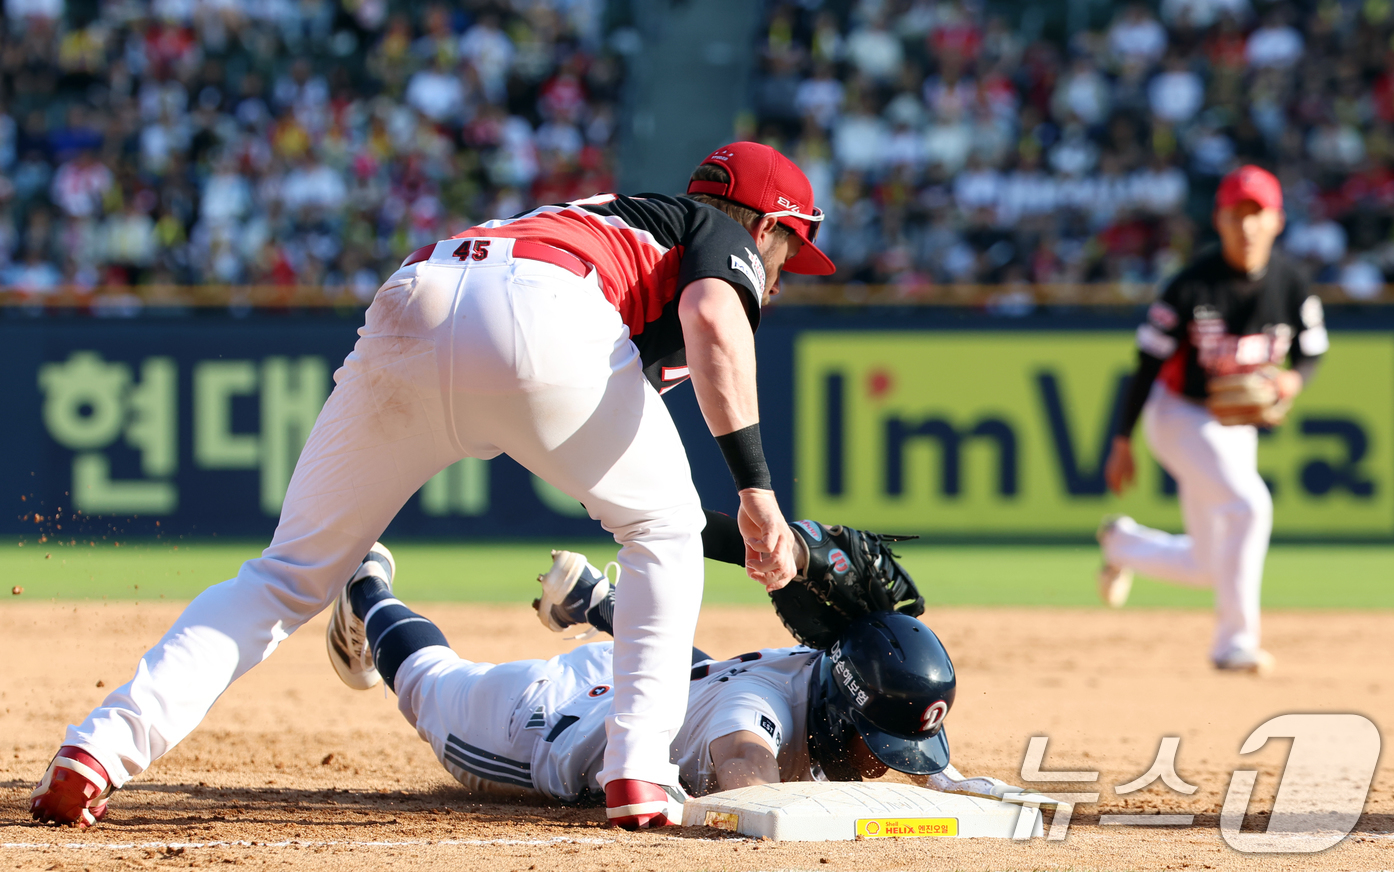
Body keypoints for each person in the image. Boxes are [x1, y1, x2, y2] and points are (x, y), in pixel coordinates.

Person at [30, 142, 834, 829]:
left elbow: (640, 433)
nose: (784, 271)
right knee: (661, 534)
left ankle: (97, 748)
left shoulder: (624, 227)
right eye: (790, 251)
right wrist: (758, 491)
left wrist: (756, 530)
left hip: (425, 292)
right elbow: (714, 318)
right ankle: (639, 771)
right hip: (543, 306)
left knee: (285, 576)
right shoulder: (714, 234)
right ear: (765, 225)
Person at [324, 544, 958, 812]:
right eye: (871, 745)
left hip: (666, 681)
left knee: (692, 679)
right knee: (432, 687)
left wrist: (953, 784)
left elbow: (933, 772)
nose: (881, 765)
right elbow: (752, 784)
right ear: (839, 712)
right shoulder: (756, 710)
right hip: (553, 721)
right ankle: (367, 588)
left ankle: (602, 603)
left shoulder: (828, 677)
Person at [1098, 165, 1328, 675]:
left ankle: (1120, 543)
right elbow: (1146, 364)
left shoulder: (1290, 282)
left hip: (1235, 428)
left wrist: (1292, 381)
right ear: (1219, 221)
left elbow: (1312, 351)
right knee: (1251, 505)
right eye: (1236, 213)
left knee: (1209, 564)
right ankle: (1234, 642)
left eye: (1257, 213)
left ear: (1277, 221)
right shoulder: (1191, 285)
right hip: (1180, 415)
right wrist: (1121, 439)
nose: (1247, 225)